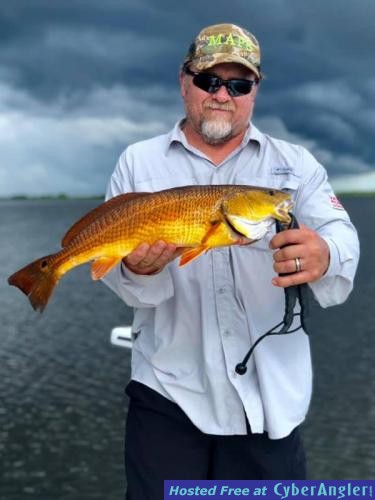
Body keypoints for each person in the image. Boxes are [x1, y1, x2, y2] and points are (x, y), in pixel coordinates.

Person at [102, 23, 359, 498]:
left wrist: (327, 254)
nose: (223, 94)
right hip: (167, 393)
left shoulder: (295, 165)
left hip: (269, 400)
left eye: (239, 84)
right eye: (209, 80)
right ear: (184, 83)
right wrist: (138, 269)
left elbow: (340, 233)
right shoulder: (137, 163)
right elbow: (122, 281)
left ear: (255, 91)